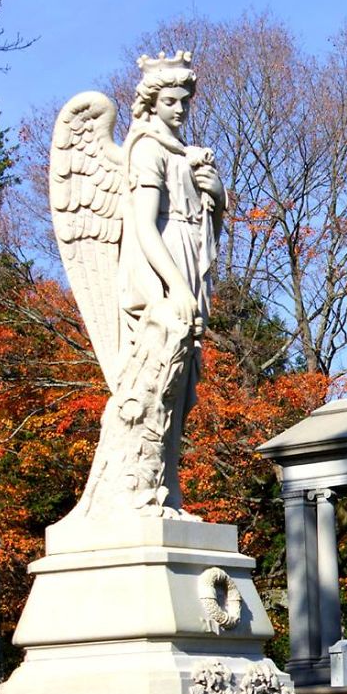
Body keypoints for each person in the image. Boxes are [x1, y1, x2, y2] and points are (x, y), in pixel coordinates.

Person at [118, 50, 226, 508]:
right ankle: (145, 488)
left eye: (185, 101)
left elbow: (208, 230)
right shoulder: (147, 149)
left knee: (186, 382)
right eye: (171, 101)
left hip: (188, 255)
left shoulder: (186, 153)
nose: (180, 109)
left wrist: (216, 197)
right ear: (151, 103)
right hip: (162, 265)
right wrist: (175, 288)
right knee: (159, 379)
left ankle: (171, 488)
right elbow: (144, 226)